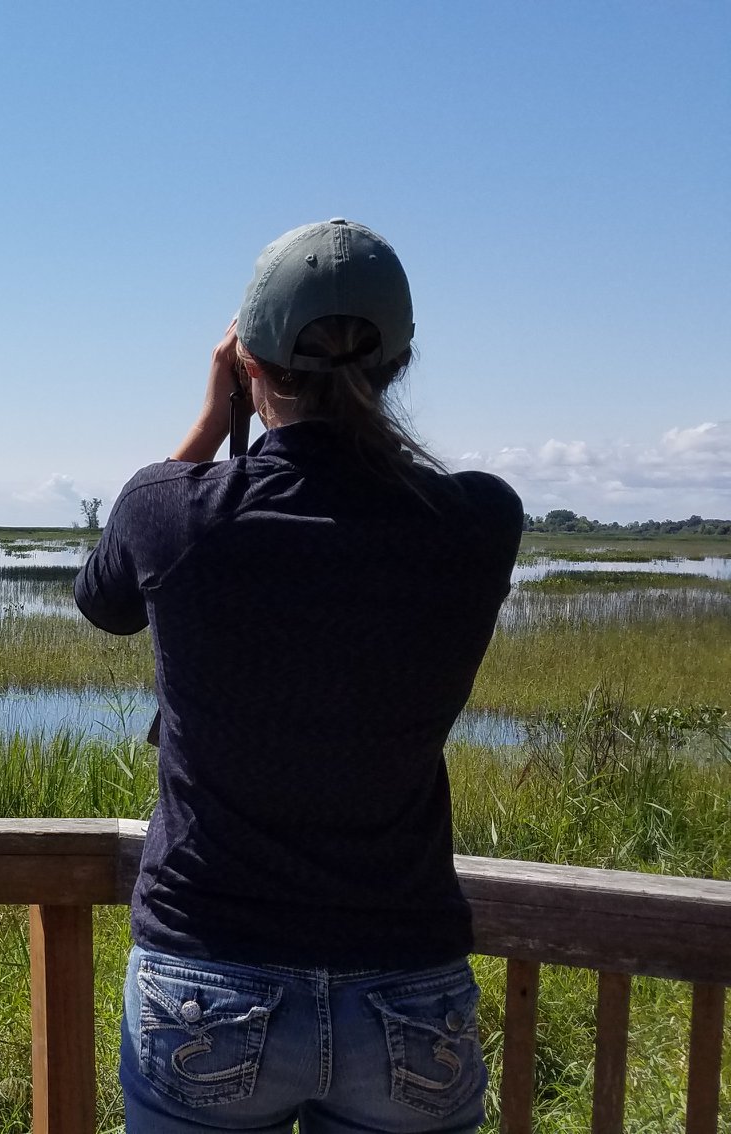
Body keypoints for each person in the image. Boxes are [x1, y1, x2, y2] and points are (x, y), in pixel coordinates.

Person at [75, 220, 522, 1134]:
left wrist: (210, 423)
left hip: (209, 971)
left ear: (249, 362)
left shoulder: (172, 511)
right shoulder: (477, 520)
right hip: (406, 977)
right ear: (399, 362)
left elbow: (106, 600)